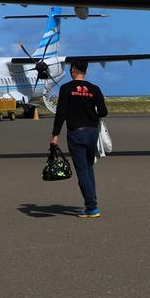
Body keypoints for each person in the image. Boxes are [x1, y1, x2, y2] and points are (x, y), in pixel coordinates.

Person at [50, 60, 108, 219]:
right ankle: (92, 202)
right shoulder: (95, 89)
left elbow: (61, 113)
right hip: (92, 132)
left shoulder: (66, 88)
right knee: (88, 168)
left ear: (74, 70)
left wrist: (55, 135)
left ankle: (92, 207)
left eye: (70, 69)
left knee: (82, 170)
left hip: (76, 133)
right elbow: (103, 112)